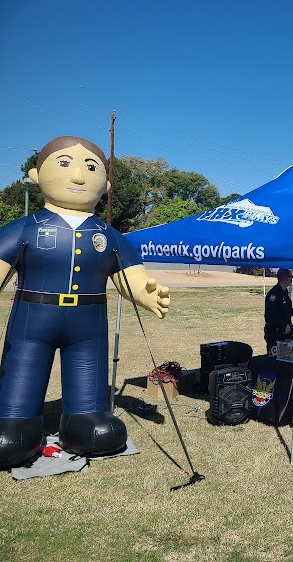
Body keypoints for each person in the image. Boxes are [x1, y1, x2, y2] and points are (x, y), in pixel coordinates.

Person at [0, 136, 171, 467]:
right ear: (36, 176)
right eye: (64, 164)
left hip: (89, 322)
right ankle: (15, 419)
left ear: (105, 184)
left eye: (90, 168)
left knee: (89, 373)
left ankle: (85, 418)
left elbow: (129, 276)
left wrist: (144, 292)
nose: (78, 176)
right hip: (33, 317)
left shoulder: (109, 236)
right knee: (24, 367)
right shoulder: (26, 228)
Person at [264, 268, 293, 353]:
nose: (292, 279)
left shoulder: (285, 293)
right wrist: (283, 326)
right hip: (275, 334)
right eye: (291, 277)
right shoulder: (274, 294)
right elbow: (270, 316)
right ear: (286, 278)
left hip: (286, 334)